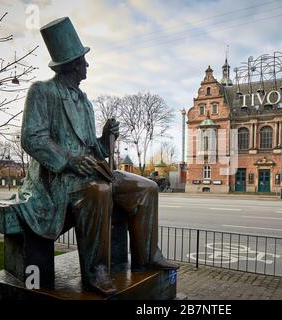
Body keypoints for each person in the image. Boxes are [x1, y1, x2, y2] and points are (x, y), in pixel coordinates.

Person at [16, 17, 177, 296]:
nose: (87, 65)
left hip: (91, 170)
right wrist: (69, 159)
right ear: (72, 64)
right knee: (98, 191)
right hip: (59, 179)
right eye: (83, 60)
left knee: (147, 188)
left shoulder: (85, 101)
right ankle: (96, 272)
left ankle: (147, 256)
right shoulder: (42, 91)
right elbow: (32, 138)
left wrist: (104, 138)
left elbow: (93, 149)